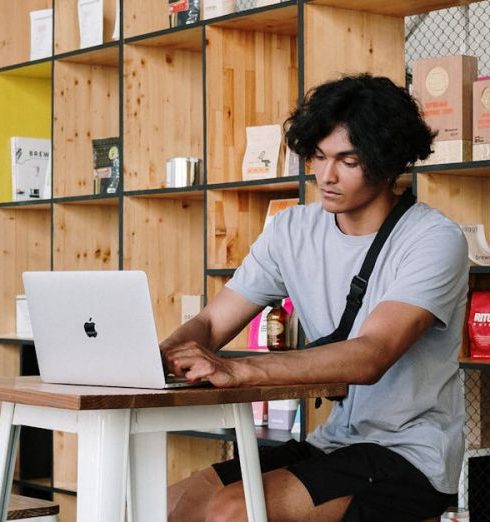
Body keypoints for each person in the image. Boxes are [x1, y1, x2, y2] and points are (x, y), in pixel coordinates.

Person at [160, 74, 468, 522]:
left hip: (411, 455)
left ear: (386, 161)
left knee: (235, 510)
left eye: (348, 160)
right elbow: (210, 323)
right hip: (333, 442)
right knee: (171, 503)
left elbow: (371, 354)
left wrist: (238, 368)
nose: (326, 175)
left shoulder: (433, 238)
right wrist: (167, 352)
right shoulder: (290, 230)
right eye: (319, 157)